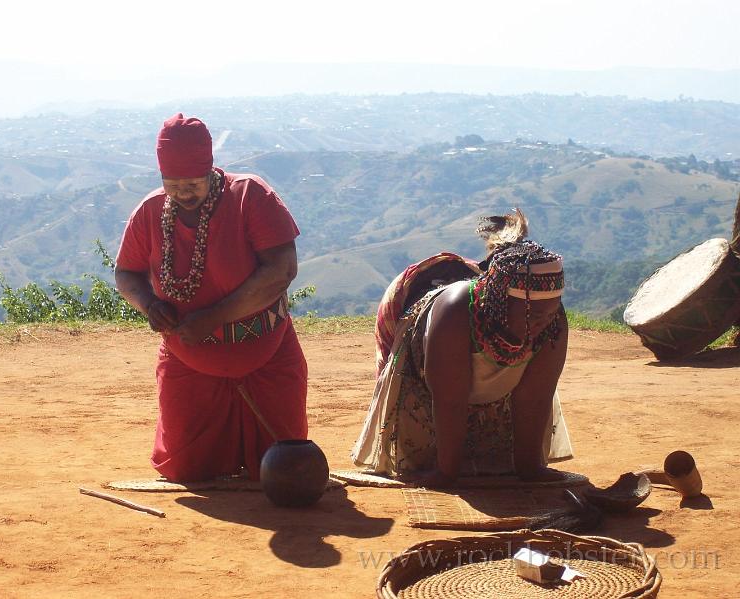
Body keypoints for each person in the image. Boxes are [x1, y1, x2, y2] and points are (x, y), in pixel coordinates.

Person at [115, 113, 308, 482]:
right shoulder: (151, 210)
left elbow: (281, 271)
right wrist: (149, 305)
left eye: (192, 183)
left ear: (210, 170)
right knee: (188, 470)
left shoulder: (250, 195)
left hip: (265, 355)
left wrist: (215, 317)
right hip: (187, 359)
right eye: (173, 184)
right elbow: (126, 275)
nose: (183, 193)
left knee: (285, 468)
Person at [352, 209, 573, 487]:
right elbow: (449, 399)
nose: (542, 322)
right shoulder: (455, 314)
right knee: (435, 459)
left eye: (549, 313)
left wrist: (530, 468)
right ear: (500, 302)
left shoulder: (553, 322)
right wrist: (446, 473)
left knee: (499, 465)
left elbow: (534, 397)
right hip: (428, 383)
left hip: (475, 385)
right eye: (532, 314)